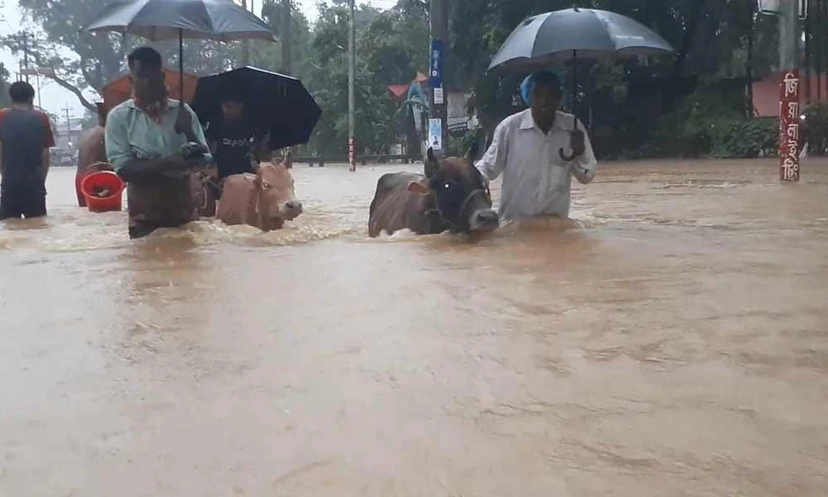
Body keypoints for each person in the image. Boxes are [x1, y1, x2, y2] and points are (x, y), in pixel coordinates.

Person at [105, 46, 211, 239]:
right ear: (131, 80)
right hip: (144, 221)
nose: (147, 83)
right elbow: (124, 170)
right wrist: (170, 162)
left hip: (185, 216)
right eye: (140, 76)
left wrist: (189, 132)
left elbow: (204, 162)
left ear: (162, 77)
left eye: (152, 77)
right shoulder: (119, 118)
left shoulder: (183, 112)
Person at [475, 71, 597, 221]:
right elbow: (487, 168)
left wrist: (579, 153)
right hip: (514, 227)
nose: (545, 100)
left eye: (551, 95)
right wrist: (469, 181)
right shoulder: (509, 128)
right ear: (529, 98)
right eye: (538, 94)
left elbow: (587, 176)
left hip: (556, 230)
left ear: (559, 99)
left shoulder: (573, 128)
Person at [0, 81, 56, 220]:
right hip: (35, 185)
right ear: (31, 97)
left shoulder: (2, 116)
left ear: (11, 98)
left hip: (10, 184)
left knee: (10, 227)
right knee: (37, 227)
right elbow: (45, 155)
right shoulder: (41, 118)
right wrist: (41, 181)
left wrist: (4, 175)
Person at [75, 102, 111, 207]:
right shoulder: (107, 133)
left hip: (80, 178)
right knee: (104, 213)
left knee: (87, 211)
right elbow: (111, 161)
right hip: (96, 178)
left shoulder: (87, 133)